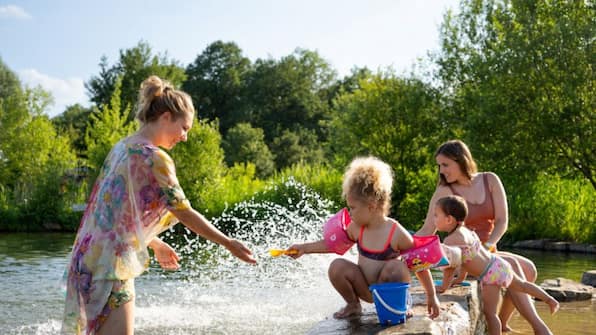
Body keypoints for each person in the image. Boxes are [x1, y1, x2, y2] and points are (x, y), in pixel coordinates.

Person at [61, 75, 256, 335]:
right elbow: (182, 210)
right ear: (165, 117)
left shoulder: (122, 147)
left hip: (87, 259)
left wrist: (153, 242)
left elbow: (111, 215)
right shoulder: (154, 157)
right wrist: (229, 243)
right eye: (184, 127)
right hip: (110, 267)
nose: (185, 137)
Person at [417, 139, 554, 334]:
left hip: (487, 251)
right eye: (439, 166)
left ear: (461, 160)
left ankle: (502, 324)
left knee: (530, 269)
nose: (441, 171)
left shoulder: (490, 180)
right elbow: (428, 228)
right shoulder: (445, 191)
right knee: (514, 267)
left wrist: (490, 244)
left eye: (445, 164)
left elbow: (502, 221)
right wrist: (403, 246)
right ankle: (539, 328)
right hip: (468, 259)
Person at [288, 156, 440, 319]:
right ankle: (353, 304)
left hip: (388, 288)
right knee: (337, 266)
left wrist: (431, 295)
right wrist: (304, 248)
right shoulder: (356, 228)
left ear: (372, 206)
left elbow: (419, 264)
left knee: (396, 267)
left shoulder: (395, 231)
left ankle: (400, 303)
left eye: (352, 207)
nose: (349, 212)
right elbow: (332, 245)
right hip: (365, 289)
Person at [434, 195, 559, 335]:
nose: (434, 219)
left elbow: (450, 268)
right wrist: (460, 280)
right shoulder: (467, 231)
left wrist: (444, 287)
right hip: (498, 264)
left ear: (449, 219)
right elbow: (465, 261)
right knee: (522, 285)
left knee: (490, 314)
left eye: (436, 215)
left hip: (489, 276)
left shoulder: (452, 240)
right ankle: (549, 299)